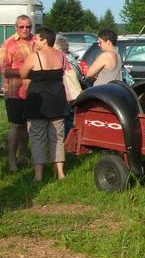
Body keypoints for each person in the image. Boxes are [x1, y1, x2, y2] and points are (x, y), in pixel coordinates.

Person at [19, 27, 68, 182]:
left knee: (37, 137)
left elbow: (22, 73)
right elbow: (66, 71)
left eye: (38, 38)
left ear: (44, 40)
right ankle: (60, 173)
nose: (35, 40)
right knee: (58, 137)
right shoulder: (61, 56)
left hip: (38, 102)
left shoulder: (35, 56)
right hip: (58, 100)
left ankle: (38, 175)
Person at [0, 15, 37, 172]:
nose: (25, 30)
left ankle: (23, 156)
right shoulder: (9, 44)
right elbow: (3, 69)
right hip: (15, 91)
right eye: (21, 27)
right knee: (16, 125)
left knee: (28, 124)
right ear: (16, 27)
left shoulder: (37, 41)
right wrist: (23, 72)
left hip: (33, 91)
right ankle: (12, 160)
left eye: (28, 26)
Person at [54, 35, 83, 137]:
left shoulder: (63, 59)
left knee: (67, 120)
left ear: (59, 48)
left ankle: (69, 143)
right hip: (75, 93)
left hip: (68, 94)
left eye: (54, 47)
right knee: (71, 118)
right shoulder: (73, 58)